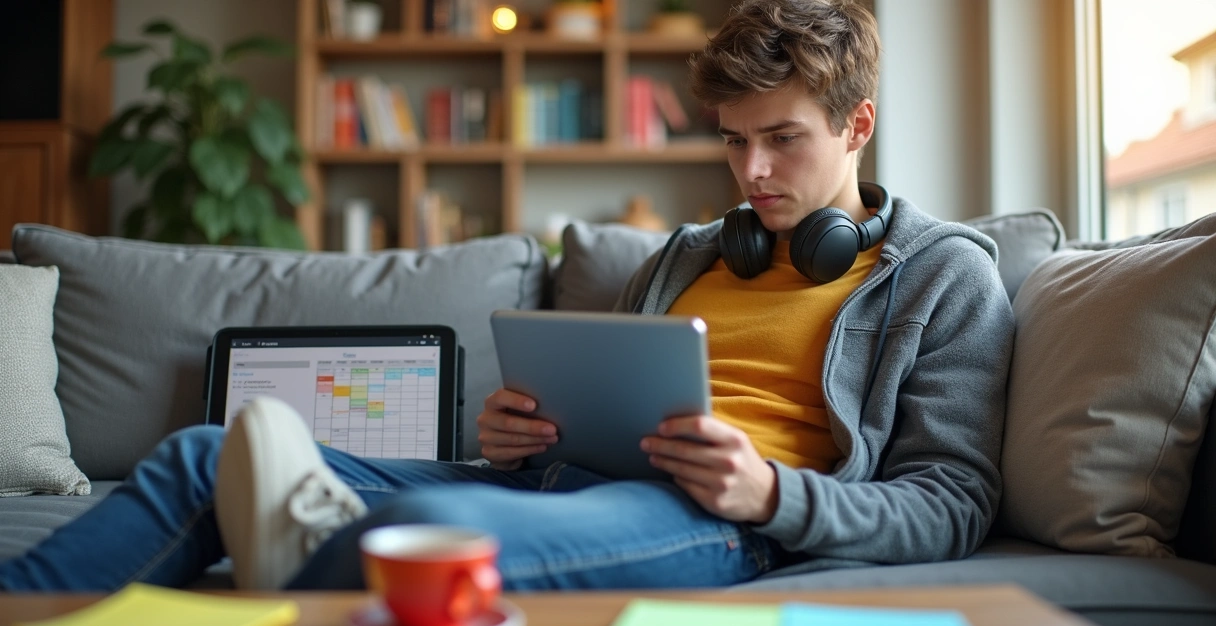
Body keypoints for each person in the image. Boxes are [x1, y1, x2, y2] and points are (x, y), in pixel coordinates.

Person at [0, 0, 1014, 592]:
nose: (749, 170)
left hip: (719, 516)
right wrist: (521, 433)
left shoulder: (941, 275)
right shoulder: (688, 255)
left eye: (781, 138)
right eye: (731, 138)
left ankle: (310, 547)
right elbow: (604, 405)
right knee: (202, 454)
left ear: (855, 124)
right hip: (550, 481)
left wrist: (772, 493)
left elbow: (953, 504)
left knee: (406, 549)